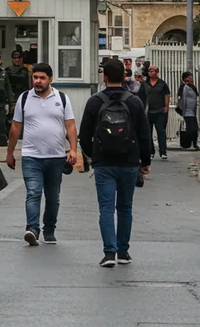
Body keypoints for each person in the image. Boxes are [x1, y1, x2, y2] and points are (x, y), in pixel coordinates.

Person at [78, 58, 151, 267]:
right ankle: (123, 252)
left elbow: (84, 135)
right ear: (124, 77)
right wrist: (144, 160)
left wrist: (94, 155)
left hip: (104, 163)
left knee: (106, 208)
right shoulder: (134, 102)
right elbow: (144, 134)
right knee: (125, 208)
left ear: (105, 77)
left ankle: (109, 253)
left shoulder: (95, 101)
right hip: (129, 161)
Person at [6, 63, 77, 245]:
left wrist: (74, 150)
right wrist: (10, 152)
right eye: (35, 77)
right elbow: (15, 127)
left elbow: (70, 125)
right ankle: (32, 229)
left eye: (42, 78)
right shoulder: (24, 99)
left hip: (56, 157)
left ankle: (49, 229)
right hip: (31, 156)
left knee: (53, 198)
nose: (37, 81)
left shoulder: (61, 98)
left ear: (50, 79)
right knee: (33, 192)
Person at [144, 65, 171, 160]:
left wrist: (166, 107)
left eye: (153, 71)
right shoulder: (145, 83)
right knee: (148, 132)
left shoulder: (162, 84)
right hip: (148, 111)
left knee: (161, 131)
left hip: (160, 110)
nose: (151, 72)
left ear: (157, 72)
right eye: (149, 71)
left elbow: (166, 95)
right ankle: (151, 151)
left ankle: (163, 152)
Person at [176, 72, 200, 150]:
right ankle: (189, 143)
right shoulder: (183, 87)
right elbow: (181, 99)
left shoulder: (192, 86)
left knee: (195, 128)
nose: (191, 79)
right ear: (185, 78)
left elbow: (197, 94)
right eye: (189, 77)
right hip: (187, 111)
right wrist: (182, 111)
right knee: (190, 128)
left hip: (192, 111)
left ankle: (194, 143)